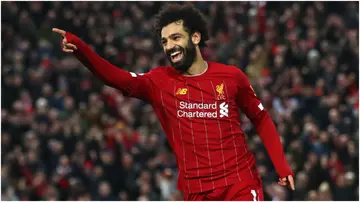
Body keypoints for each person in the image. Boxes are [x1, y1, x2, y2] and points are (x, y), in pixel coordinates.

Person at [52, 3, 295, 201]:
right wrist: (81, 49)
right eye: (165, 41)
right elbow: (117, 78)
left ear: (196, 37)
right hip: (196, 191)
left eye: (175, 37)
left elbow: (260, 118)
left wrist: (282, 166)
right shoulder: (159, 81)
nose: (169, 46)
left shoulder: (231, 77)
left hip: (239, 185)